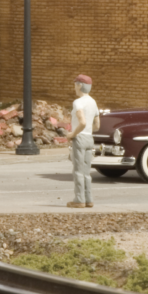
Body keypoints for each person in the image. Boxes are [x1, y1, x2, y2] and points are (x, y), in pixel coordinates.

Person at [66, 74, 99, 208]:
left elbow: (82, 122)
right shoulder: (93, 102)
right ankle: (88, 198)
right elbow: (97, 125)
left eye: (75, 84)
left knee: (78, 171)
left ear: (80, 85)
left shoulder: (78, 102)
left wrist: (72, 134)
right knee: (86, 171)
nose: (75, 87)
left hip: (79, 138)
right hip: (89, 138)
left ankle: (79, 199)